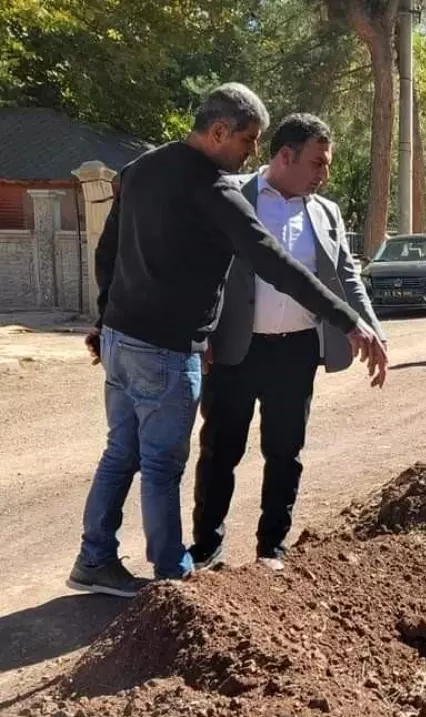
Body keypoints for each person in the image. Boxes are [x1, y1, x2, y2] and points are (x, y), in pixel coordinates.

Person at [67, 84, 387, 598]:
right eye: (248, 140)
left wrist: (106, 322)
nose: (252, 152)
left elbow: (108, 252)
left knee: (120, 452)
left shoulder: (139, 169)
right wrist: (347, 321)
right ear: (219, 132)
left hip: (122, 341)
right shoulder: (217, 192)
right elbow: (274, 263)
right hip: (168, 350)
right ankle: (172, 574)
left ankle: (94, 557)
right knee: (163, 464)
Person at [189, 114, 387, 573]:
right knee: (221, 450)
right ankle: (206, 551)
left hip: (296, 350)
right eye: (318, 163)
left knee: (285, 453)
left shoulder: (325, 212)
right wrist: (200, 333)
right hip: (235, 349)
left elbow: (346, 278)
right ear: (285, 156)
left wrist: (370, 327)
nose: (325, 174)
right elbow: (200, 267)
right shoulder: (232, 194)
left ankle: (271, 550)